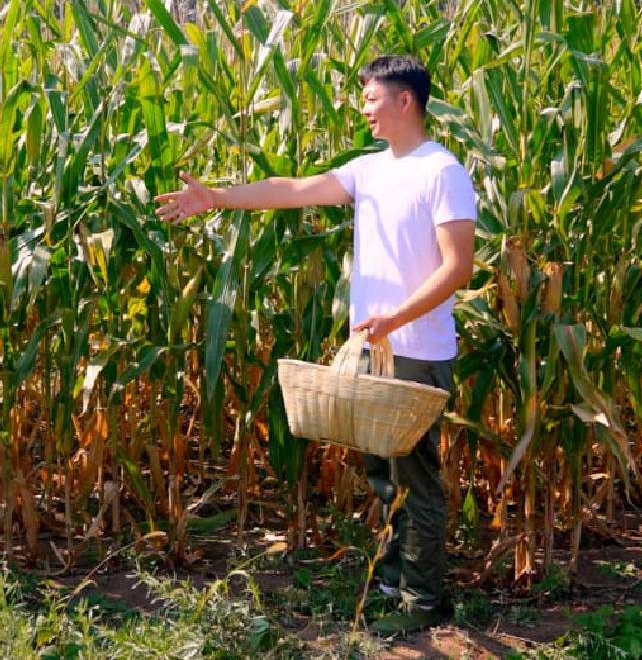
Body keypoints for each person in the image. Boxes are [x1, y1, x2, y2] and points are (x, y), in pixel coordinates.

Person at [154, 55, 476, 635]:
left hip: (416, 351)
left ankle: (424, 603)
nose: (364, 109)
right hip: (374, 349)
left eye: (372, 98)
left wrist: (395, 318)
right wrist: (217, 197)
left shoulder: (441, 172)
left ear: (405, 100)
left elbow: (458, 267)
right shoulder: (371, 170)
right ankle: (392, 583)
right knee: (383, 475)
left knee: (415, 479)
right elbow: (295, 189)